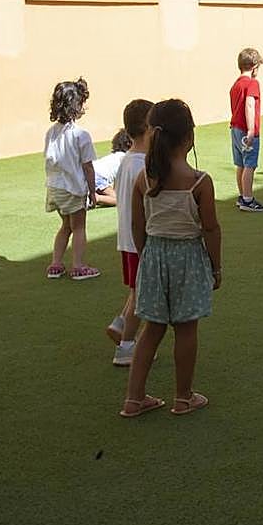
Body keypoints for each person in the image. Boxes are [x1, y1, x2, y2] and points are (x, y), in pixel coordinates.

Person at [121, 99, 222, 418]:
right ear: (189, 137)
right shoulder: (200, 182)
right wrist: (216, 266)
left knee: (151, 329)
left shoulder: (145, 180)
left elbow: (138, 225)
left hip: (154, 256)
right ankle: (183, 396)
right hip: (188, 260)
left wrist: (146, 255)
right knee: (186, 329)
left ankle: (133, 399)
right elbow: (210, 228)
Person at [106, 99, 153, 366]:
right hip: (139, 240)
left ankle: (121, 325)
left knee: (137, 289)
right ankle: (126, 347)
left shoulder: (126, 161)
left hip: (127, 239)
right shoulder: (142, 165)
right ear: (148, 128)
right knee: (140, 294)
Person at [44, 78, 99, 280]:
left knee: (65, 226)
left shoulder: (51, 133)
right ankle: (78, 265)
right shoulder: (81, 135)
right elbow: (88, 167)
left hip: (55, 188)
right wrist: (93, 192)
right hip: (73, 188)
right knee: (79, 227)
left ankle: (56, 264)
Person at [229, 48, 263, 212]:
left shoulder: (236, 85)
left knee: (241, 164)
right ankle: (247, 199)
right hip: (246, 131)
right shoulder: (253, 83)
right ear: (254, 67)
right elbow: (250, 104)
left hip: (235, 129)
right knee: (250, 165)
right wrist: (251, 130)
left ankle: (242, 195)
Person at [91, 129, 131, 207]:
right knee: (119, 200)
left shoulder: (116, 156)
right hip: (98, 177)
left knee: (113, 196)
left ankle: (96, 196)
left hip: (92, 173)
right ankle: (96, 198)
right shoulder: (124, 158)